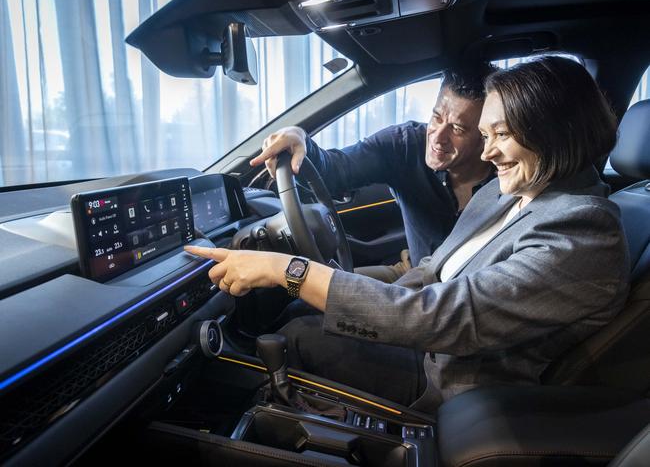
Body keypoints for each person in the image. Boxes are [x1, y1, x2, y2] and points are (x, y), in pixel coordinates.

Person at [186, 57, 630, 411]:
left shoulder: (583, 226)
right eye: (485, 134)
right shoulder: (514, 189)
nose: (489, 150)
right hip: (433, 347)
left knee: (295, 339)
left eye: (501, 135)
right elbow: (433, 270)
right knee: (306, 318)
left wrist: (293, 271)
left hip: (457, 385)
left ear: (554, 135)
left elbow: (448, 317)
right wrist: (364, 311)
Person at [249, 64, 498, 282]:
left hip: (468, 293)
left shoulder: (510, 174)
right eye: (436, 117)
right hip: (412, 273)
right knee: (300, 298)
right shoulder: (404, 145)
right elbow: (335, 169)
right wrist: (300, 137)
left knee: (305, 328)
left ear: (485, 135)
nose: (438, 137)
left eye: (457, 129)